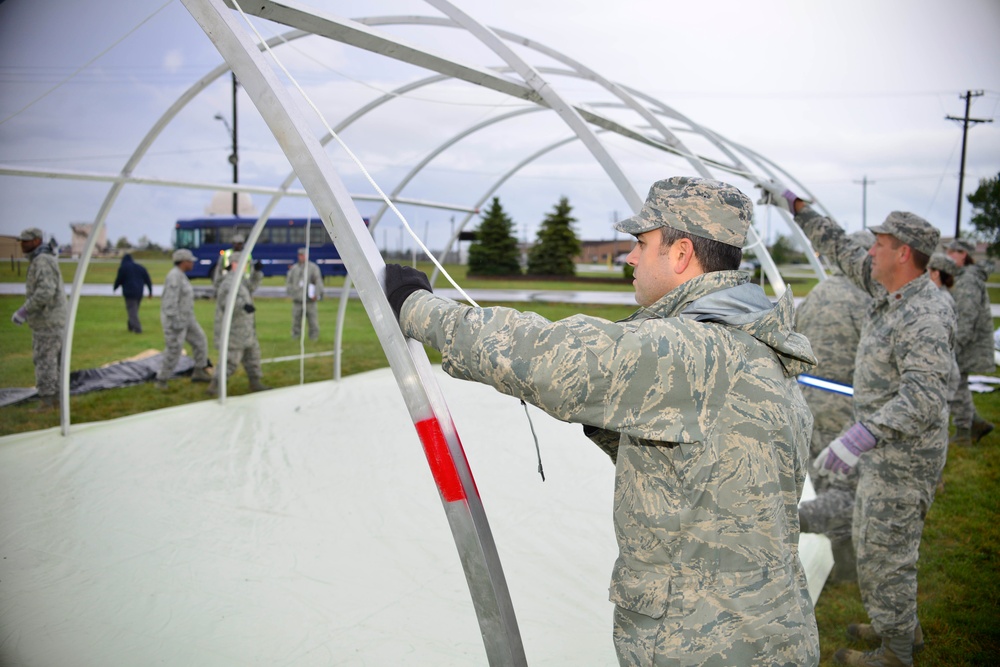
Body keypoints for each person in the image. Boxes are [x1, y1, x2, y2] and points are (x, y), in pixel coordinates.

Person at [386, 177, 820, 665]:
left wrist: (416, 306)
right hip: (766, 631)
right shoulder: (754, 341)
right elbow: (698, 473)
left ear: (680, 255)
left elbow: (550, 356)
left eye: (641, 243)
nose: (629, 258)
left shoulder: (696, 349)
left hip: (705, 644)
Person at [760, 182, 955, 667]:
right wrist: (797, 208)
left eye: (881, 245)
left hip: (904, 455)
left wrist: (861, 435)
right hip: (888, 446)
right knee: (879, 542)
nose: (871, 251)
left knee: (886, 549)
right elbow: (842, 248)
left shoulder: (923, 313)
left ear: (903, 253)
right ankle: (899, 625)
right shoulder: (889, 289)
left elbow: (925, 396)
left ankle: (895, 651)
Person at [794, 229, 874, 585]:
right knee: (846, 490)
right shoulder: (868, 298)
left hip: (808, 398)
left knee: (823, 480)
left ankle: (843, 564)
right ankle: (795, 521)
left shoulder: (818, 292)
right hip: (847, 405)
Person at [944, 238, 995, 445]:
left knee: (957, 384)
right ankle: (976, 423)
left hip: (968, 341)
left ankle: (965, 430)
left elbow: (967, 317)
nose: (947, 256)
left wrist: (955, 346)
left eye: (951, 252)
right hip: (967, 339)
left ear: (962, 254)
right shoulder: (964, 277)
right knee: (959, 382)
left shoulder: (968, 280)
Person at [10, 227, 68, 411]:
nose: (22, 245)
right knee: (54, 363)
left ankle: (47, 403)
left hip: (47, 322)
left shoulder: (42, 261)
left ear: (36, 241)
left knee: (45, 361)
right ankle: (57, 401)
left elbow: (45, 292)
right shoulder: (44, 258)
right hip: (53, 321)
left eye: (26, 241)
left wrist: (24, 311)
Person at [208, 251, 270, 395]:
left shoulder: (239, 279)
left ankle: (255, 383)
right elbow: (225, 302)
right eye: (245, 263)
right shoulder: (229, 282)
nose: (247, 266)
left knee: (252, 357)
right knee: (231, 361)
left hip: (246, 329)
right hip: (234, 330)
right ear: (235, 263)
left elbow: (251, 287)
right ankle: (215, 385)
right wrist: (242, 305)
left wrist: (257, 273)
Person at [155, 249, 212, 390]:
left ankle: (199, 371)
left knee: (200, 341)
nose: (192, 263)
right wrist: (175, 322)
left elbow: (185, 295)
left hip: (187, 319)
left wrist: (202, 295)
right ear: (184, 262)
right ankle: (161, 380)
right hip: (176, 321)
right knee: (174, 350)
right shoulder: (174, 276)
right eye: (190, 261)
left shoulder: (181, 276)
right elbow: (169, 302)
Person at [285, 247, 323, 340]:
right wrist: (291, 292)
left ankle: (314, 337)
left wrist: (317, 294)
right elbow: (289, 281)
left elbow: (318, 281)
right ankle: (295, 337)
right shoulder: (294, 268)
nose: (301, 257)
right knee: (296, 321)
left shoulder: (313, 268)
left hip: (309, 301)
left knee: (312, 320)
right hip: (297, 300)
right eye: (300, 255)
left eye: (303, 255)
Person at [112, 253, 153, 333]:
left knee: (132, 310)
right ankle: (131, 326)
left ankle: (137, 329)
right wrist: (150, 291)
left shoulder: (123, 268)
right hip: (139, 292)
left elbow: (119, 279)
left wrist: (115, 287)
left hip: (129, 292)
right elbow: (148, 280)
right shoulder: (140, 267)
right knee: (134, 309)